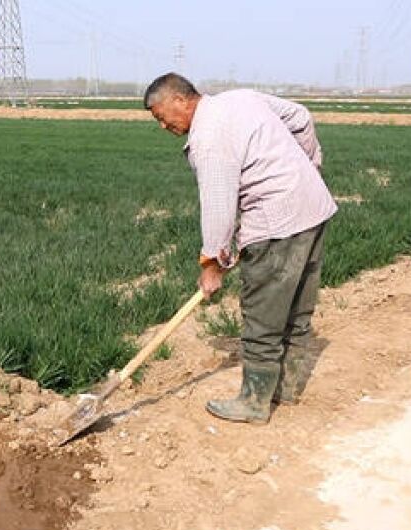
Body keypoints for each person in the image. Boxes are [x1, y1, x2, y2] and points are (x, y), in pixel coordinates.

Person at [144, 73, 337, 424]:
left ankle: (253, 403)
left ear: (180, 100)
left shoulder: (208, 139)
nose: (162, 126)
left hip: (276, 223)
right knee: (296, 309)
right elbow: (301, 117)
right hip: (313, 207)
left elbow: (218, 205)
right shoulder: (241, 98)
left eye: (161, 116)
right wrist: (308, 169)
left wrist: (211, 264)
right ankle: (288, 388)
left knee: (262, 315)